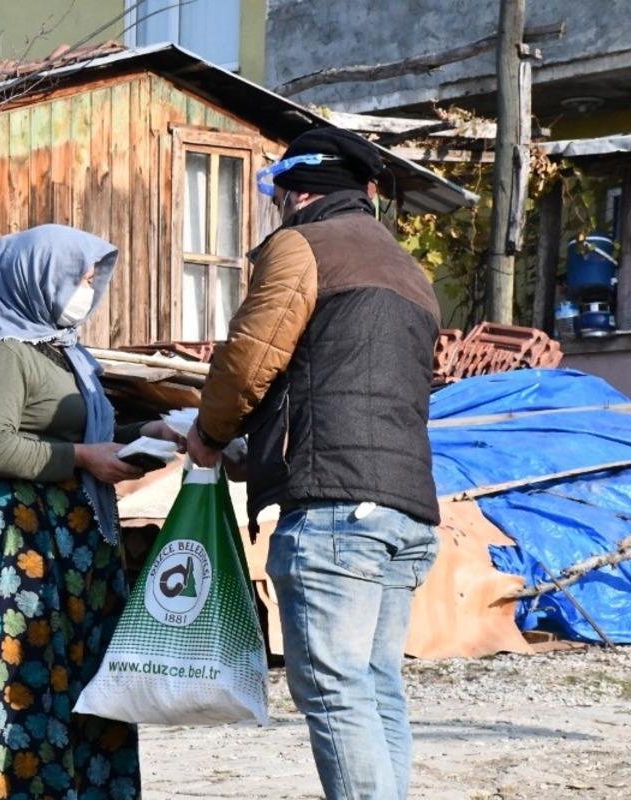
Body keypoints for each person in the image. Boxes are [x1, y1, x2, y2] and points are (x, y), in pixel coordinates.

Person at [184, 129, 442, 800]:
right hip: (407, 511)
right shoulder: (410, 272)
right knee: (376, 685)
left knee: (333, 689)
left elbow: (250, 357)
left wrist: (211, 434)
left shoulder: (302, 246)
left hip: (335, 512)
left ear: (299, 192)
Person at [0, 224, 178, 800]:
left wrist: (148, 433)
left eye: (89, 280)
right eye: (76, 278)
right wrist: (84, 457)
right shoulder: (2, 353)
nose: (86, 291)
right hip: (23, 538)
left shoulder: (63, 352)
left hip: (79, 533)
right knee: (28, 677)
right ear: (36, 277)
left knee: (91, 680)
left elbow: (90, 436)